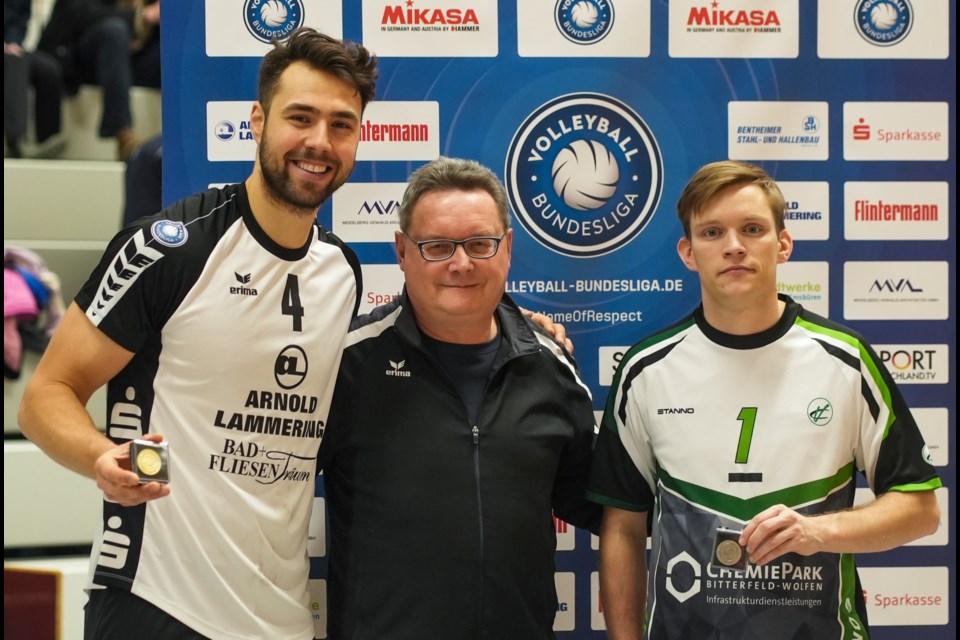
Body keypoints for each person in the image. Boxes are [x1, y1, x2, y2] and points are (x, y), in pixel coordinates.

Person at [19, 28, 378, 639]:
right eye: (300, 117)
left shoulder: (342, 271)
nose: (319, 142)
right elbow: (44, 395)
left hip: (280, 617)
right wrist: (101, 456)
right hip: (157, 604)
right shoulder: (169, 248)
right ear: (258, 120)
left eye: (341, 124)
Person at [587, 160, 941, 640]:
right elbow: (625, 527)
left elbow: (920, 510)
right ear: (688, 252)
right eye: (712, 233)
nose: (734, 246)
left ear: (783, 244)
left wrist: (820, 532)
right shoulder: (646, 369)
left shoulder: (847, 360)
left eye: (752, 229)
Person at [318, 156, 601, 639]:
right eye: (437, 246)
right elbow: (267, 491)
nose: (461, 263)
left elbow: (603, 501)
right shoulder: (347, 366)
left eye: (479, 243)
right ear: (402, 252)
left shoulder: (550, 364)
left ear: (507, 248)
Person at [37, 0, 162, 160]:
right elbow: (77, 14)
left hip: (135, 59)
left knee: (177, 50)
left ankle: (183, 140)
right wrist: (141, 16)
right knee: (114, 30)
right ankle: (123, 134)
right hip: (83, 59)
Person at [4, 0, 65, 158]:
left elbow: (19, 17)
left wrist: (13, 42)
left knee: (49, 68)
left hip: (9, 48)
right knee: (15, 63)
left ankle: (46, 140)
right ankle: (16, 142)